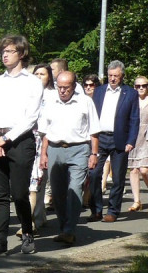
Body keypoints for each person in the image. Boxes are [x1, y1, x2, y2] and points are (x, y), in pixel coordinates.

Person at [0, 35, 43, 257]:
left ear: (21, 53)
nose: (4, 55)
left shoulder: (32, 82)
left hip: (20, 141)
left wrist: (6, 140)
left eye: (10, 51)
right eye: (2, 52)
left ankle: (27, 232)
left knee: (20, 193)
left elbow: (31, 117)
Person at [38, 70, 99, 245]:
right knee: (57, 192)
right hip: (55, 149)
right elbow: (45, 132)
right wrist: (43, 154)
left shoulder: (85, 102)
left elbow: (94, 131)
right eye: (60, 87)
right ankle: (64, 226)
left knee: (74, 188)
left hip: (79, 149)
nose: (63, 91)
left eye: (66, 87)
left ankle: (69, 230)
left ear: (74, 86)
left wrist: (94, 154)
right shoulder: (50, 102)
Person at [88, 60, 140, 223]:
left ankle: (112, 210)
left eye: (116, 76)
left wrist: (131, 140)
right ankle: (96, 209)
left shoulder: (130, 93)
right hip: (99, 138)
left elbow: (134, 119)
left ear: (122, 76)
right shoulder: (99, 91)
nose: (112, 79)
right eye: (110, 75)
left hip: (120, 139)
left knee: (117, 178)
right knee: (94, 174)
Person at [28, 64, 56, 232]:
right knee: (34, 178)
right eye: (36, 73)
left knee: (41, 178)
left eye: (42, 74)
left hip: (47, 138)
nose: (39, 77)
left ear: (49, 77)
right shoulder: (28, 93)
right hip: (30, 137)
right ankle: (33, 218)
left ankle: (38, 215)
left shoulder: (53, 95)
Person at [127, 76, 148, 211]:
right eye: (138, 86)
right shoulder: (131, 101)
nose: (141, 88)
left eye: (144, 85)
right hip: (134, 136)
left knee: (144, 170)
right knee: (134, 169)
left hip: (146, 137)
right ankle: (137, 201)